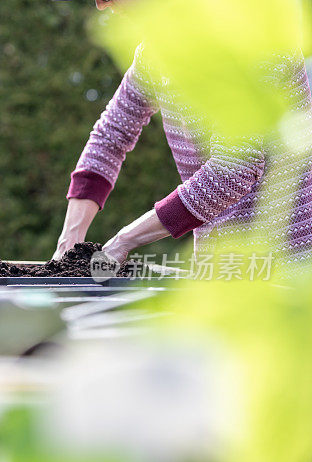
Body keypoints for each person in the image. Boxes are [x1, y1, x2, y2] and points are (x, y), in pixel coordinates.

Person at [53, 0, 312, 271]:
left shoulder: (253, 38)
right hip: (222, 272)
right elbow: (111, 135)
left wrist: (124, 241)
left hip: (289, 269)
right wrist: (70, 239)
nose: (100, 5)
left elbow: (234, 170)